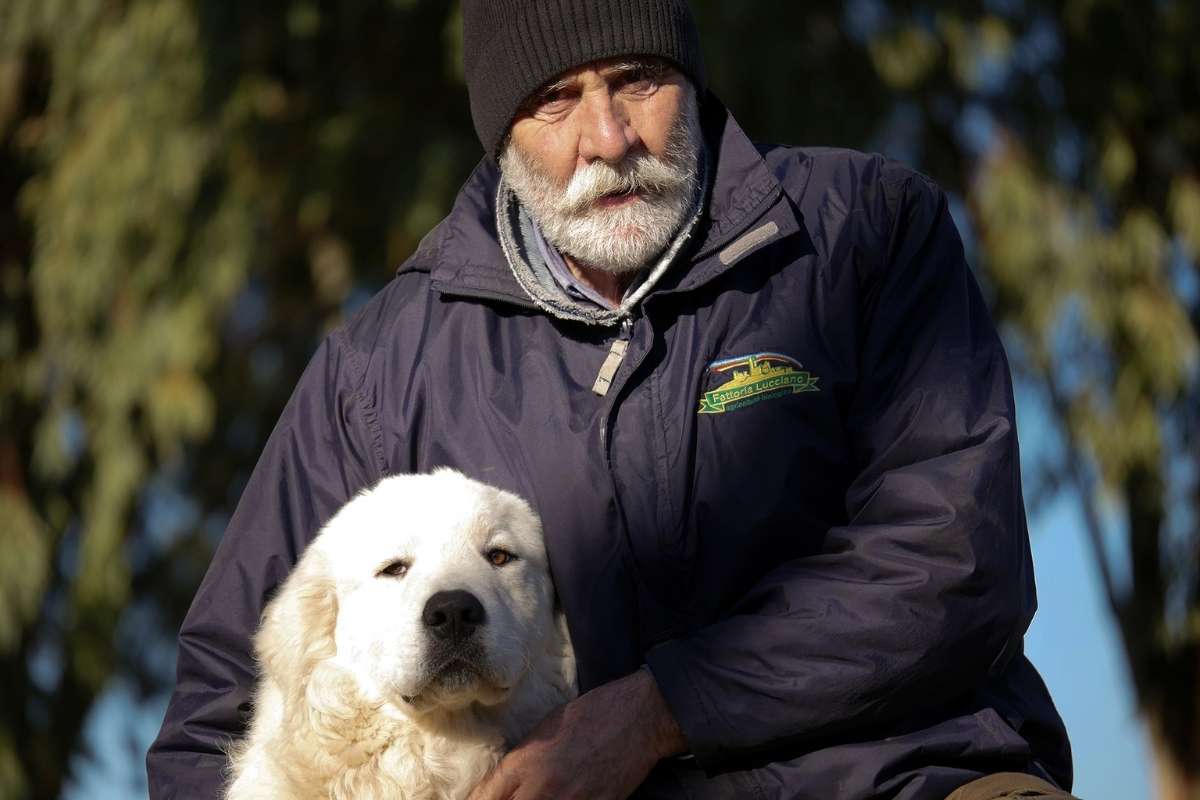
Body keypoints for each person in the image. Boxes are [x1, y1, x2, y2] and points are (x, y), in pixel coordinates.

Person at [147, 1, 1078, 798]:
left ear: (690, 78)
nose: (608, 137)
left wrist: (659, 711)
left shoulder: (863, 236)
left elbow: (957, 559)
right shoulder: (380, 372)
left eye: (636, 80)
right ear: (499, 128)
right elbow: (219, 708)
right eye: (554, 99)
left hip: (908, 778)